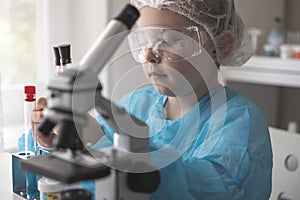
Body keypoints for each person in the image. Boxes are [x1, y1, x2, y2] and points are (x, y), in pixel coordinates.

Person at [20, 0, 273, 199]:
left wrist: (100, 143)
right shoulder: (138, 103)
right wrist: (58, 137)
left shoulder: (237, 121)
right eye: (145, 40)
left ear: (222, 45)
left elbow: (205, 191)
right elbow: (97, 173)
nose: (151, 55)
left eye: (172, 41)